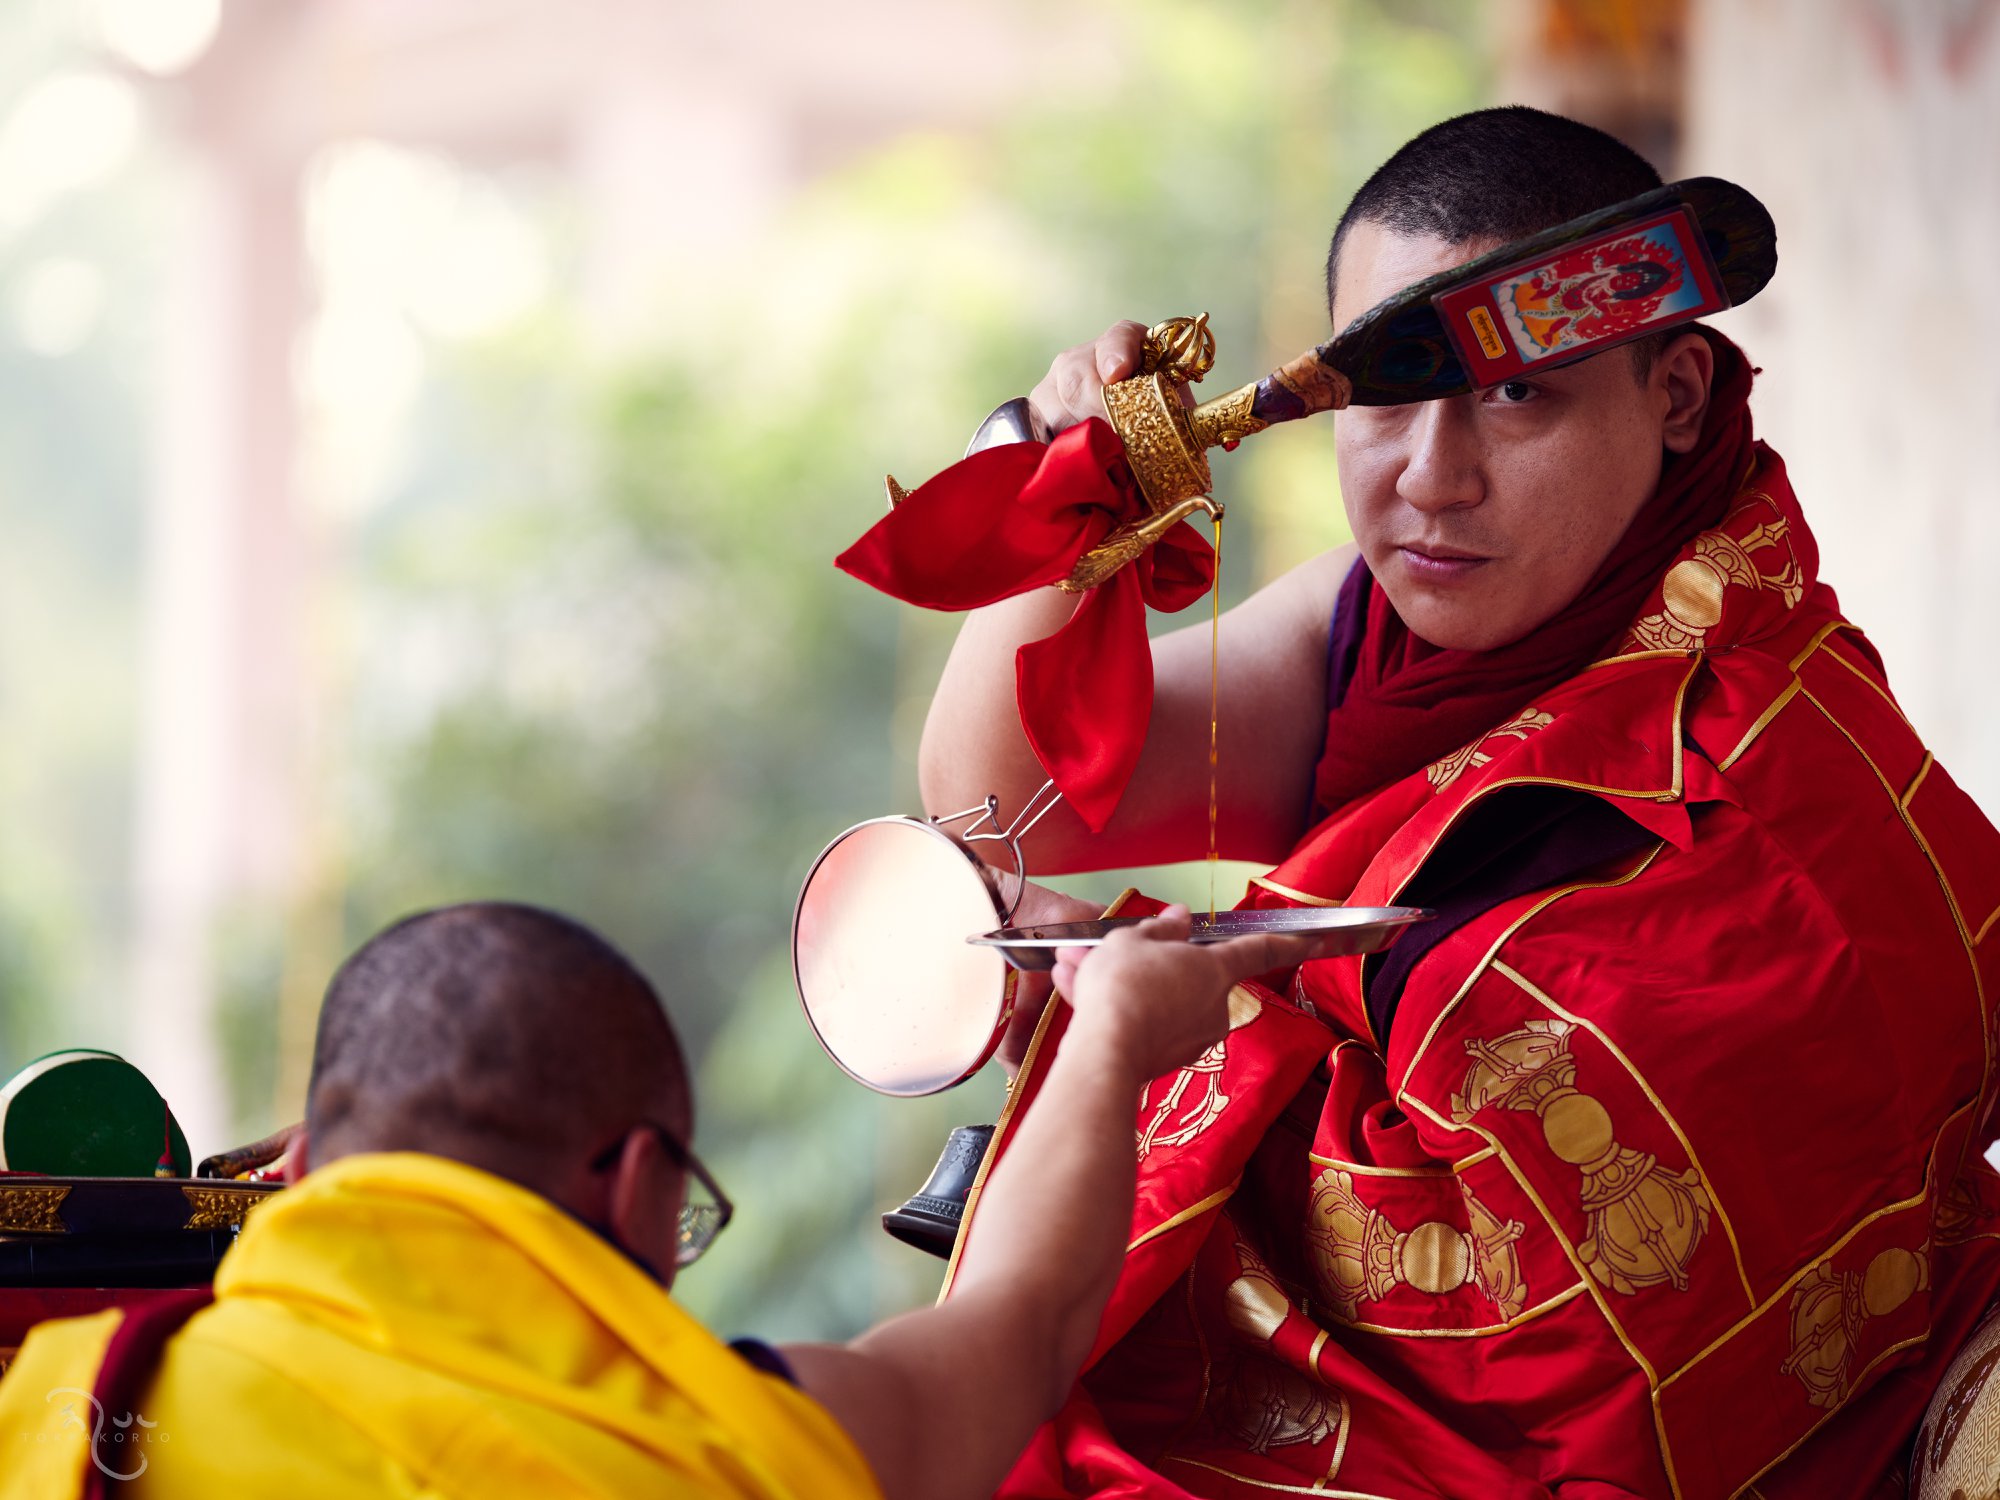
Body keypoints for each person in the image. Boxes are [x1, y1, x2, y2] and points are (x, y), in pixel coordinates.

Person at [919, 106, 2000, 1497]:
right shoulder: (1375, 632)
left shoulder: (1766, 736)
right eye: (1385, 396)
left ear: (1674, 398)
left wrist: (1135, 1016)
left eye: (1516, 395)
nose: (1431, 479)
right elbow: (1000, 810)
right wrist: (1058, 464)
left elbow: (1605, 1320)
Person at [0, 900, 1311, 1499]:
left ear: (293, 1167)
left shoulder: (59, 1401)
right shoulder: (731, 1447)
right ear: (635, 1187)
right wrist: (1114, 1042)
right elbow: (1024, 1328)